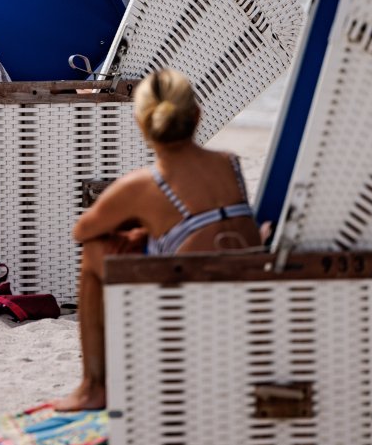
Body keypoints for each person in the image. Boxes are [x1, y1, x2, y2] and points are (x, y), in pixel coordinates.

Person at [54, 68, 261, 411]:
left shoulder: (144, 185)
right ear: (197, 116)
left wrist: (139, 226)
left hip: (183, 316)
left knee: (95, 251)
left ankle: (93, 387)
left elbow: (82, 231)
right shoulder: (230, 164)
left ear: (141, 123)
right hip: (246, 305)